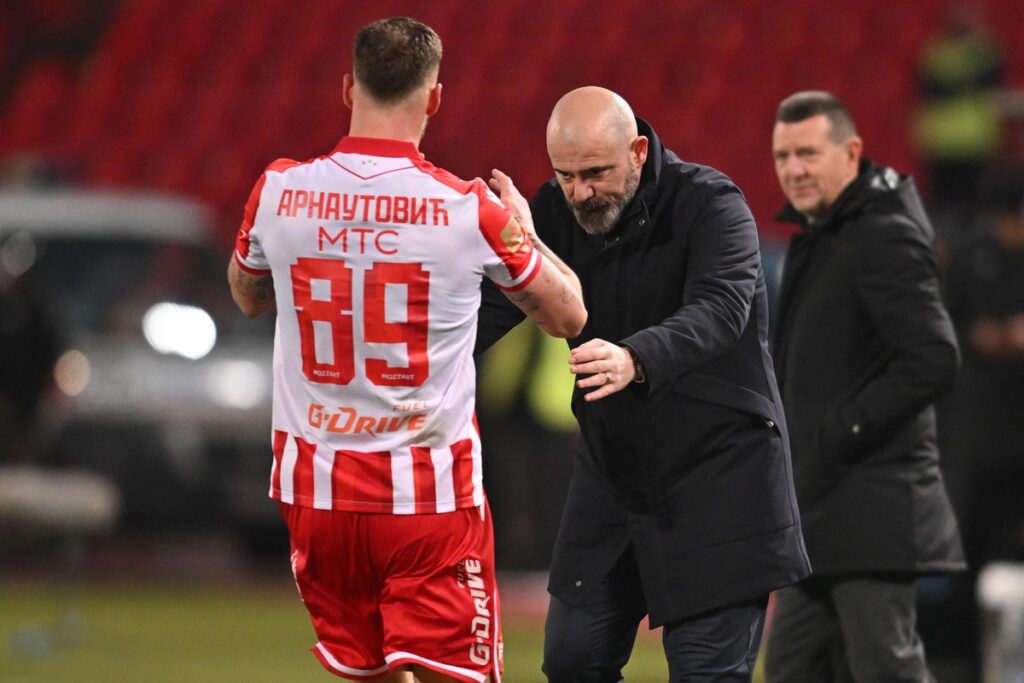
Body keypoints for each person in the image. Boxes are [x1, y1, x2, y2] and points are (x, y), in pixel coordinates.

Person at [227, 17, 586, 683]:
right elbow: (569, 315)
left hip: (317, 495)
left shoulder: (278, 190)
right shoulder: (468, 209)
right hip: (427, 503)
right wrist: (528, 235)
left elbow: (249, 293)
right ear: (435, 98)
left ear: (347, 87)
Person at [475, 86, 810, 682]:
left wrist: (636, 356)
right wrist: (398, 362)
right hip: (615, 473)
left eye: (596, 173)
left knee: (706, 674)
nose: (580, 192)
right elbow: (485, 313)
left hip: (720, 475)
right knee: (573, 659)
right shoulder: (553, 212)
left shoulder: (712, 204)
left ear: (636, 150)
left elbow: (721, 309)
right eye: (565, 174)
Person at [765, 90, 965, 683]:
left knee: (885, 671)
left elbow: (933, 356)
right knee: (792, 672)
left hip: (872, 512)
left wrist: (838, 433)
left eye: (807, 152)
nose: (793, 169)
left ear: (850, 151)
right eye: (782, 157)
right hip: (821, 512)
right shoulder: (826, 231)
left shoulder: (882, 233)